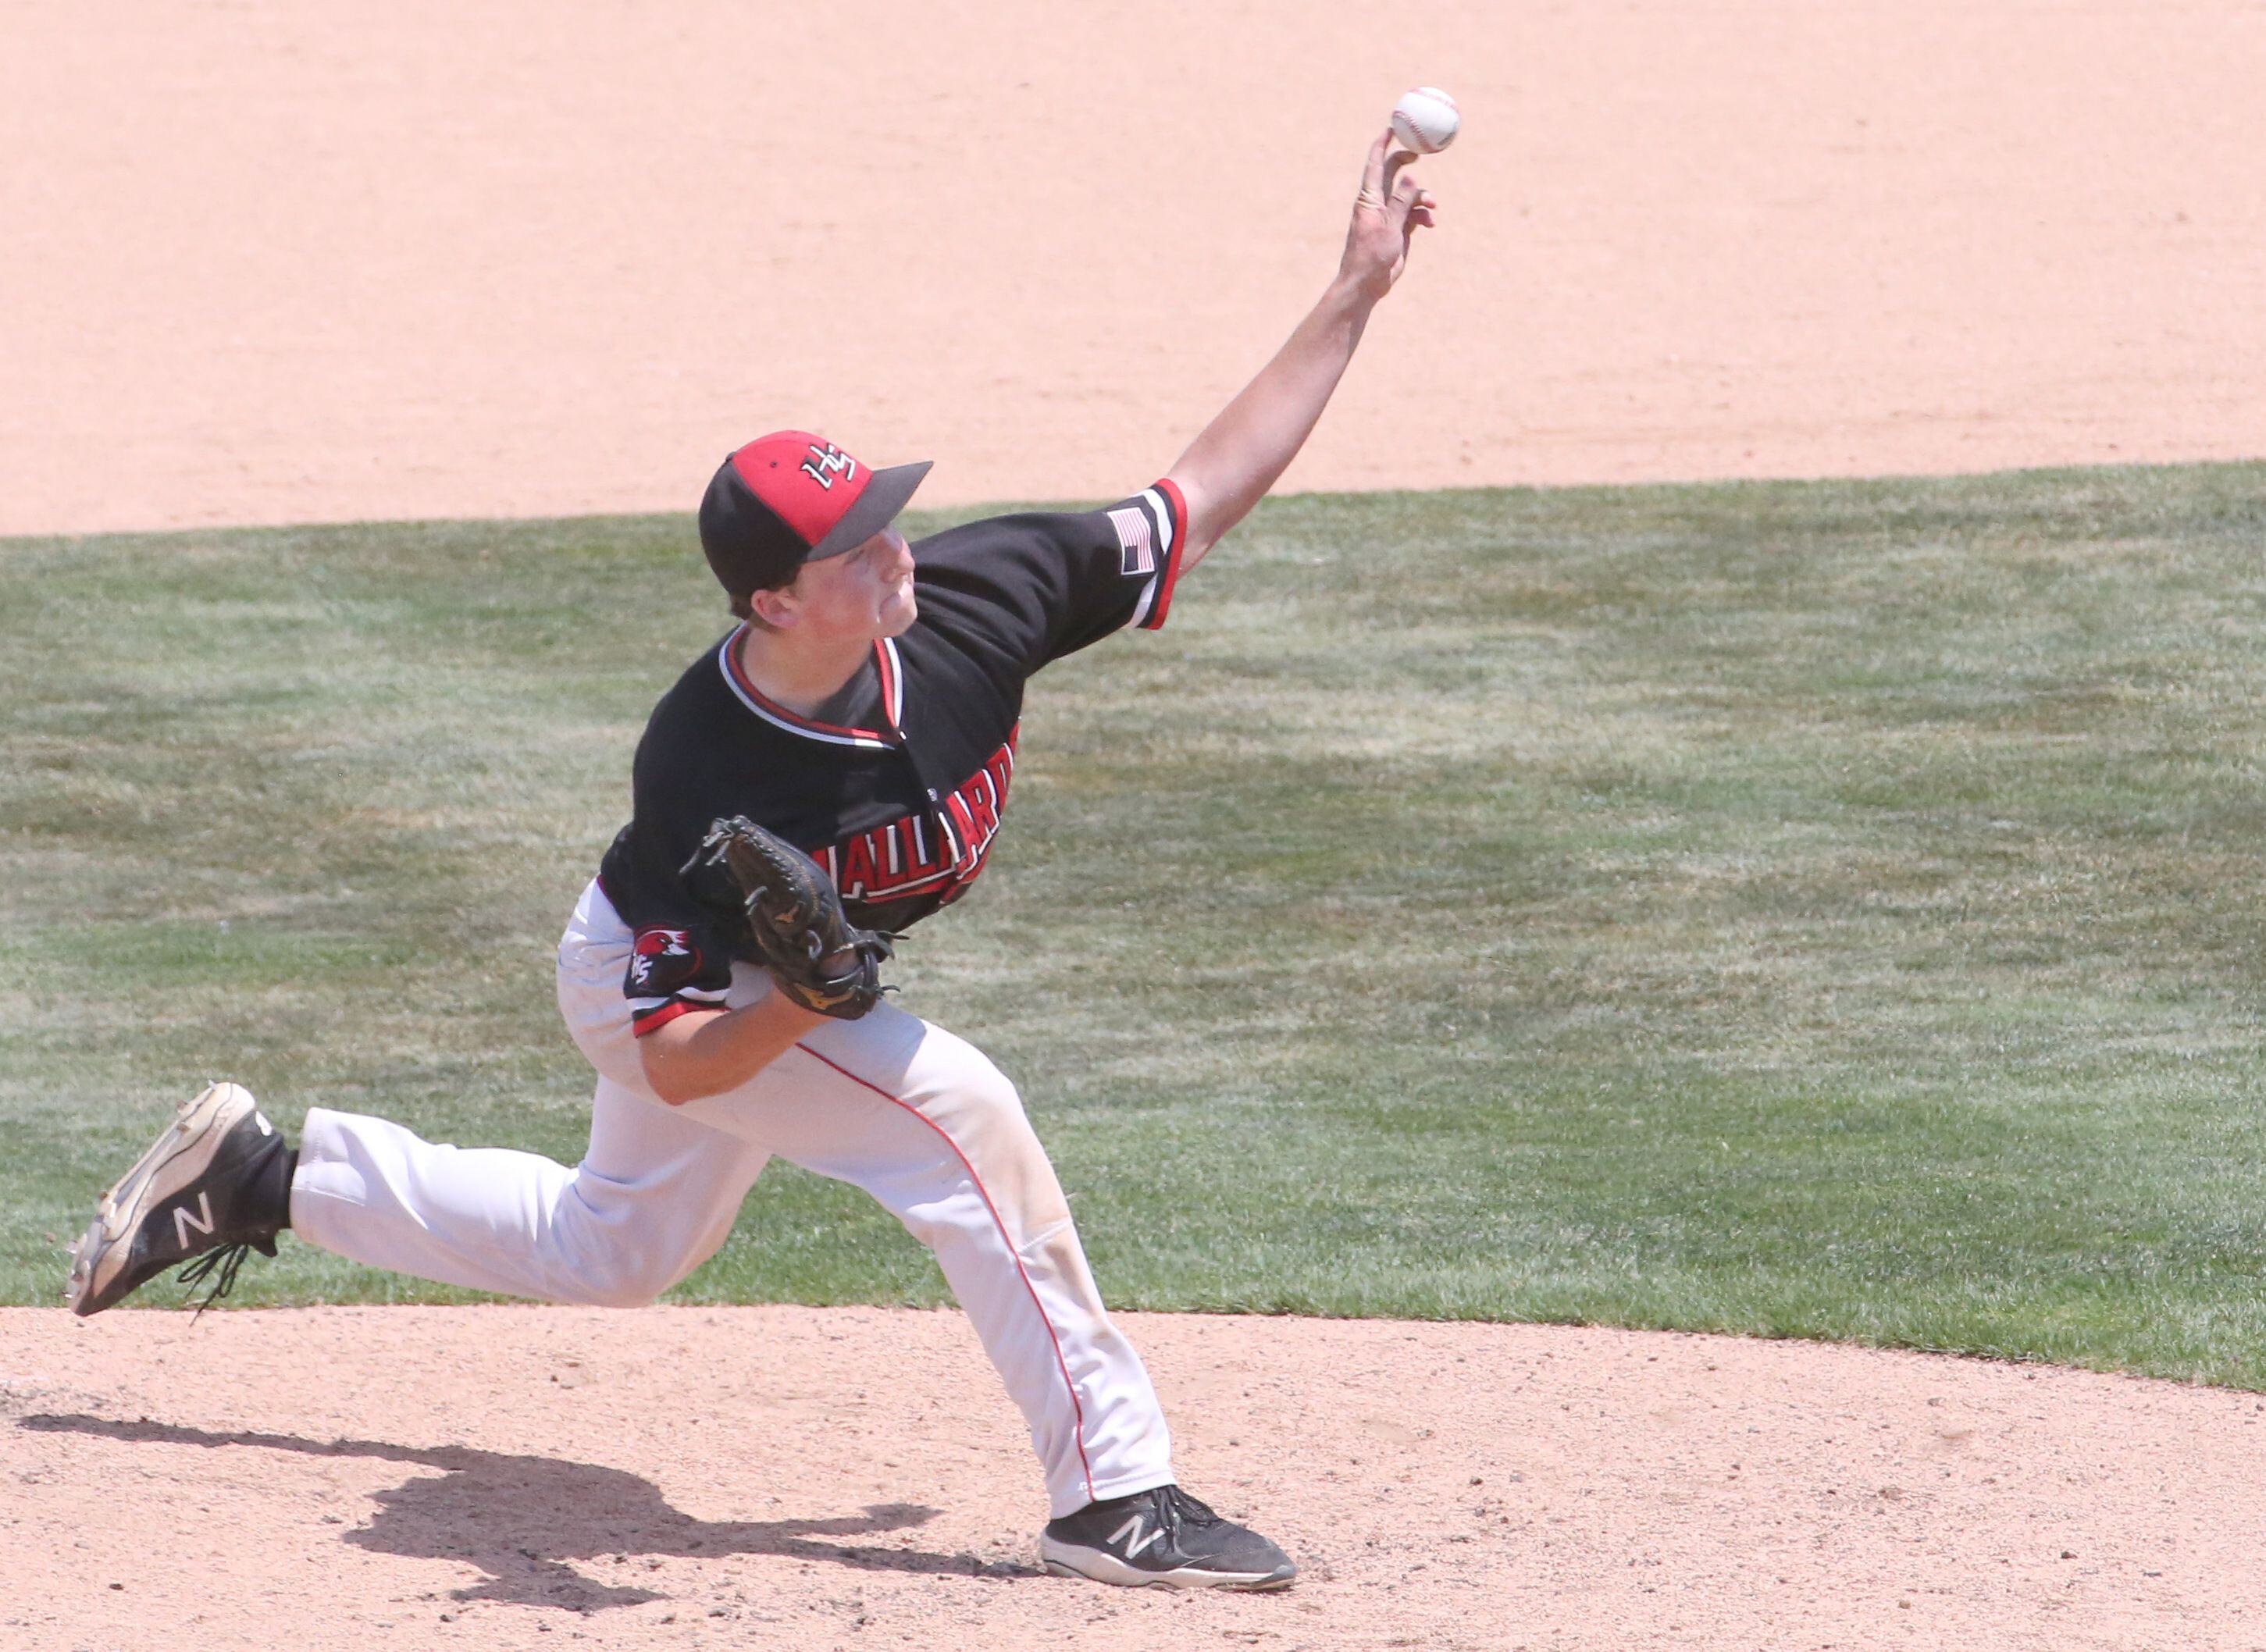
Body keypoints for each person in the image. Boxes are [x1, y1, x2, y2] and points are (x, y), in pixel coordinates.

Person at [65, 130, 1439, 1590]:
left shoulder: (976, 598)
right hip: (672, 988)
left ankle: (271, 1177)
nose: (895, 548)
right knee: (967, 1118)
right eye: (855, 545)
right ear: (775, 599)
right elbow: (674, 1063)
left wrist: (1353, 290)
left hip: (773, 993)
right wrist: (808, 995)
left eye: (887, 516)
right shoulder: (705, 764)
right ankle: (1116, 1496)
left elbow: (1195, 497)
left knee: (617, 1253)